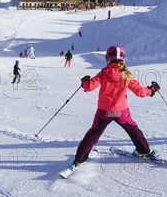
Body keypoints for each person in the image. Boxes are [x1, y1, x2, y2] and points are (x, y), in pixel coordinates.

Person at [65, 45, 161, 173]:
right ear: (123, 59)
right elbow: (140, 92)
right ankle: (144, 151)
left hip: (104, 112)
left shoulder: (104, 72)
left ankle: (79, 160)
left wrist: (85, 81)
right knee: (133, 130)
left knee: (93, 134)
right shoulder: (126, 74)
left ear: (108, 58)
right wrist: (152, 90)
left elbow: (89, 87)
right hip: (122, 112)